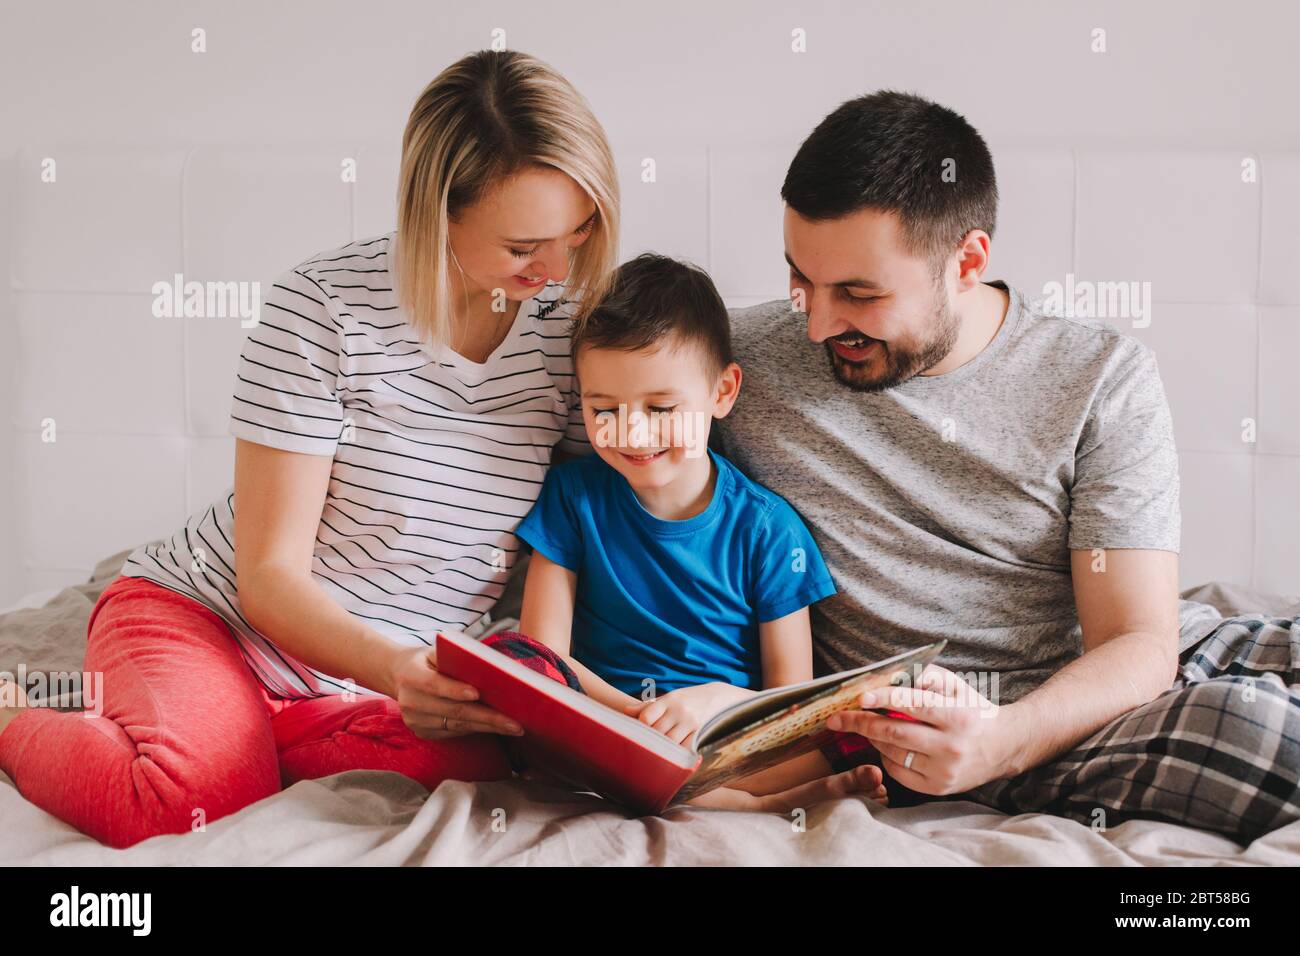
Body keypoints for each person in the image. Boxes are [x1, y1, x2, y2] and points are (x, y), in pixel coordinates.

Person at [0, 49, 622, 848]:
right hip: (216, 616)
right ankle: (20, 709)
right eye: (524, 246)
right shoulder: (321, 310)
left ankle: (246, 736)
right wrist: (397, 669)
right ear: (437, 215)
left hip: (366, 686)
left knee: (484, 764)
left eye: (579, 234)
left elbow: (589, 518)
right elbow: (269, 579)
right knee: (182, 803)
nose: (560, 267)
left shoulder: (565, 333)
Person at [716, 89, 1300, 842]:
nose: (820, 323)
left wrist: (1003, 737)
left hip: (1098, 677)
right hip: (1005, 725)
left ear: (967, 260)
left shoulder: (1100, 375)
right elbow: (590, 380)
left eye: (859, 293)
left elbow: (1139, 640)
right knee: (1259, 737)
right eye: (801, 280)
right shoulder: (727, 366)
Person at [513, 254, 889, 807]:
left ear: (722, 392)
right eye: (603, 408)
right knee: (514, 668)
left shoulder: (768, 529)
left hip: (722, 732)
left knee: (853, 732)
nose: (632, 432)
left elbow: (791, 703)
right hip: (606, 718)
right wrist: (638, 719)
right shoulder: (574, 498)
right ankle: (752, 804)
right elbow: (543, 655)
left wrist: (708, 704)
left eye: (661, 406)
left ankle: (728, 792)